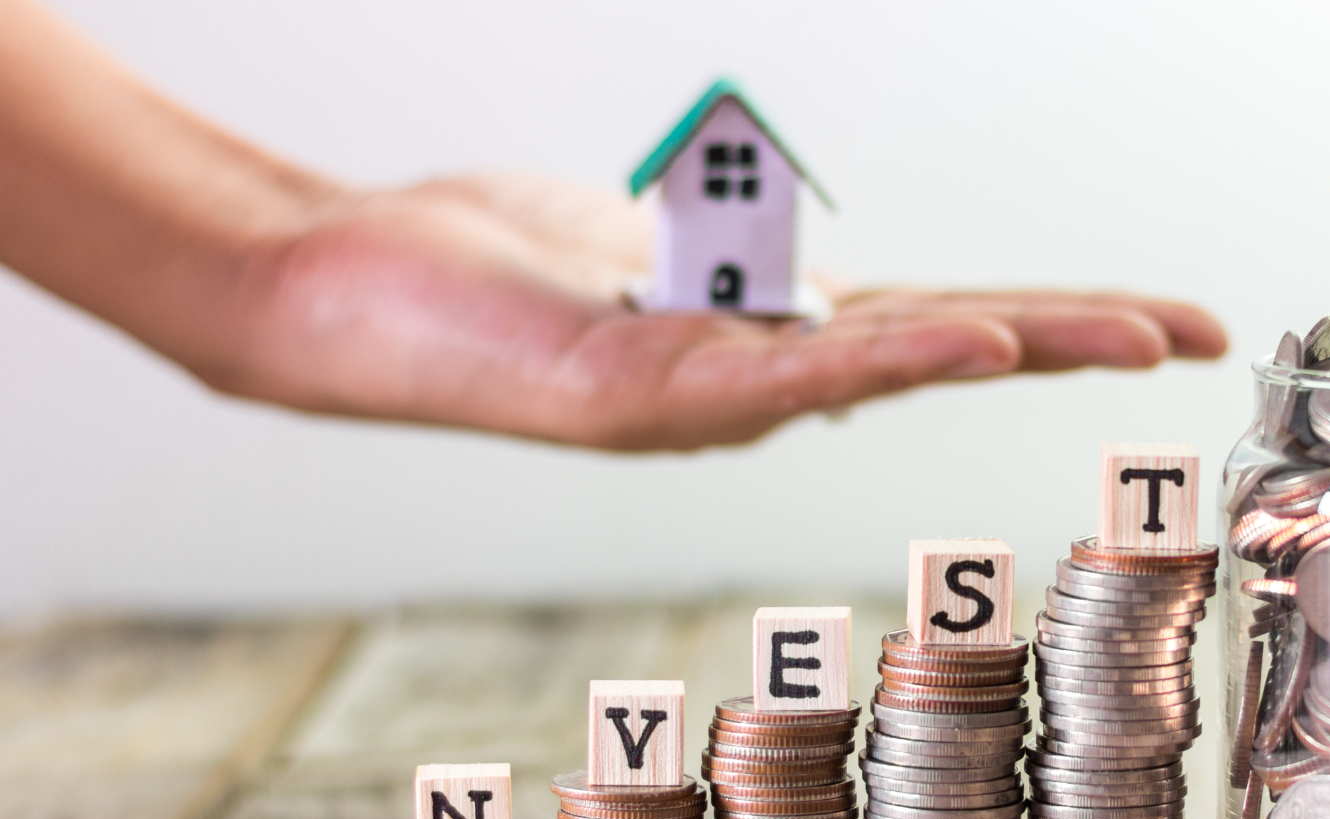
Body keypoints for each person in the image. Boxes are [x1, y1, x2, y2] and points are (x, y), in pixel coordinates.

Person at [0, 0, 1227, 451]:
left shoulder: (738, 189)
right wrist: (274, 253)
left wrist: (277, 253)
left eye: (742, 175)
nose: (739, 188)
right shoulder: (696, 189)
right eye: (728, 176)